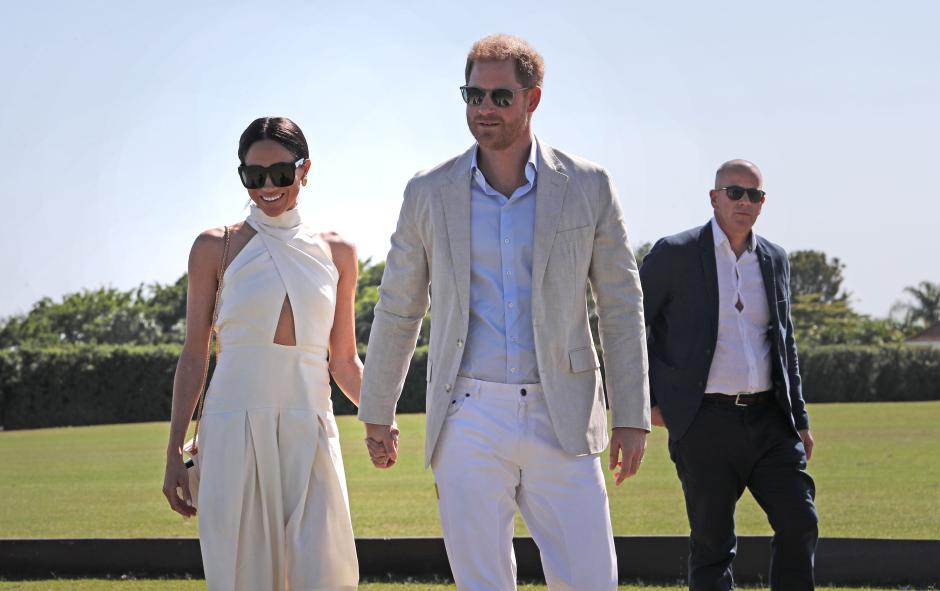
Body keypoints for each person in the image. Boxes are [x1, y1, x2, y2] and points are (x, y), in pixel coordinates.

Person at [358, 34, 650, 590]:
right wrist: (378, 409)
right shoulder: (428, 190)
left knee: (592, 581)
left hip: (561, 410)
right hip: (467, 414)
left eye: (499, 96)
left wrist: (632, 414)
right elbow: (398, 307)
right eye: (473, 95)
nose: (483, 109)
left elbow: (620, 305)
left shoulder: (589, 185)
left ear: (533, 99)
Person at [161, 117, 360, 590]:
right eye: (253, 176)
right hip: (233, 430)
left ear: (305, 169)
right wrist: (172, 451)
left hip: (310, 427)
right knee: (243, 575)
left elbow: (345, 360)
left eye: (280, 173)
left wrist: (381, 417)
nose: (267, 187)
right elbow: (194, 354)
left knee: (324, 573)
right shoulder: (214, 246)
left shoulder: (339, 252)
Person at [640, 159, 818, 590]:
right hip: (704, 422)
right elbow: (630, 326)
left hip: (769, 421)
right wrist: (645, 401)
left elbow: (785, 341)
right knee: (713, 543)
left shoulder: (774, 259)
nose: (743, 201)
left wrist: (800, 418)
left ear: (762, 204)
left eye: (753, 194)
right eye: (734, 192)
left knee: (800, 521)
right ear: (714, 197)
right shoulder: (674, 253)